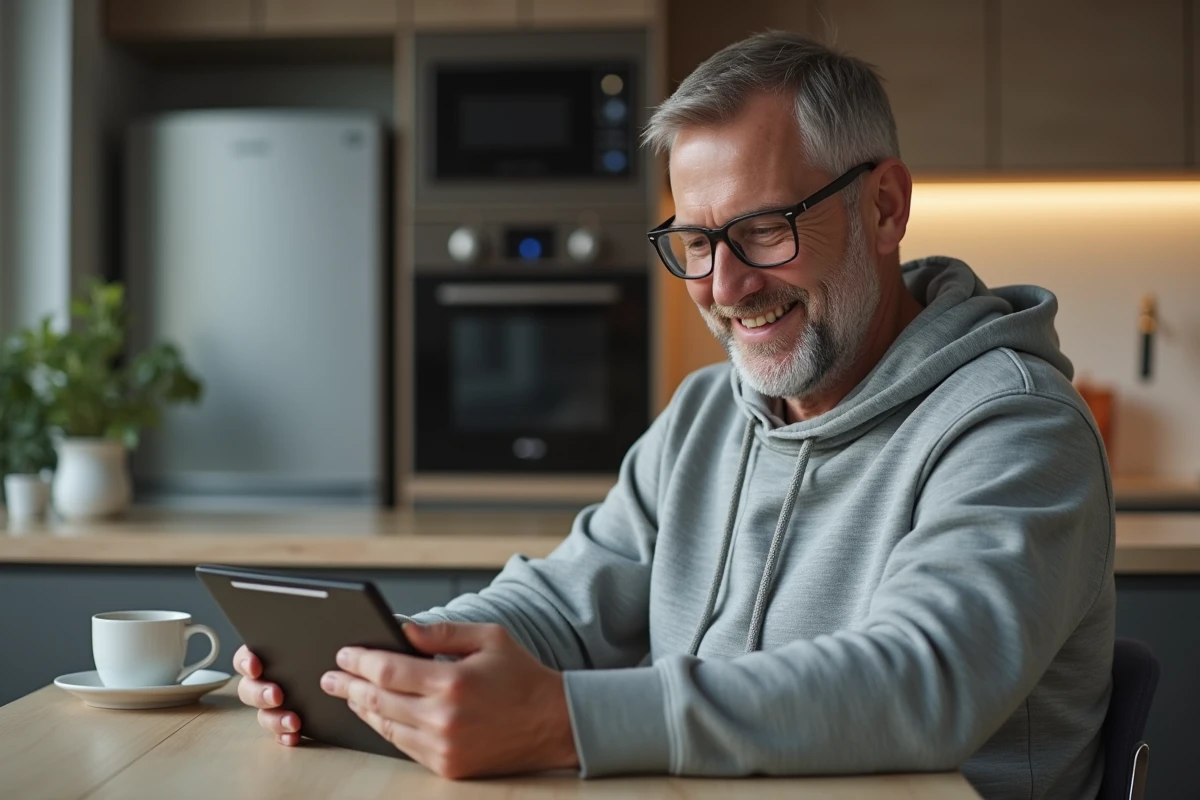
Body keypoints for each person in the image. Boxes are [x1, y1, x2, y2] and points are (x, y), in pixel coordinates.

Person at [234, 31, 1114, 799]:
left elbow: (924, 681)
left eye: (764, 229)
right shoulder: (707, 415)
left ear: (883, 206)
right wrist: (397, 665)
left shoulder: (1015, 426)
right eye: (695, 242)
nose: (723, 287)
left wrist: (566, 723)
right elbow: (567, 602)